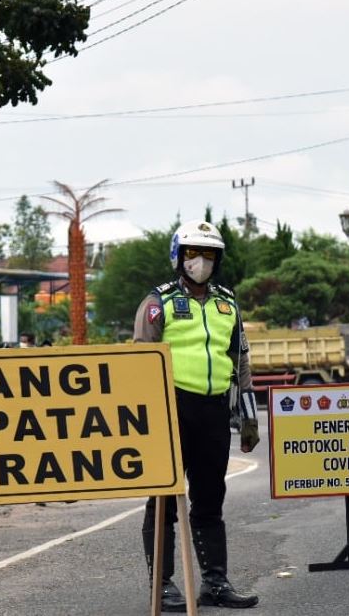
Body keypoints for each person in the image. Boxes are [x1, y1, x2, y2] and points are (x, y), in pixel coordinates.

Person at [133, 219, 260, 612]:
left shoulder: (227, 303)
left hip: (214, 410)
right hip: (173, 408)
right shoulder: (159, 302)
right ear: (178, 256)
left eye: (208, 255)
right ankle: (163, 584)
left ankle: (215, 583)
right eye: (192, 253)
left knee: (210, 497)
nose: (200, 262)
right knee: (164, 500)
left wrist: (249, 417)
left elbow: (241, 361)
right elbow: (141, 361)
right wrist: (148, 419)